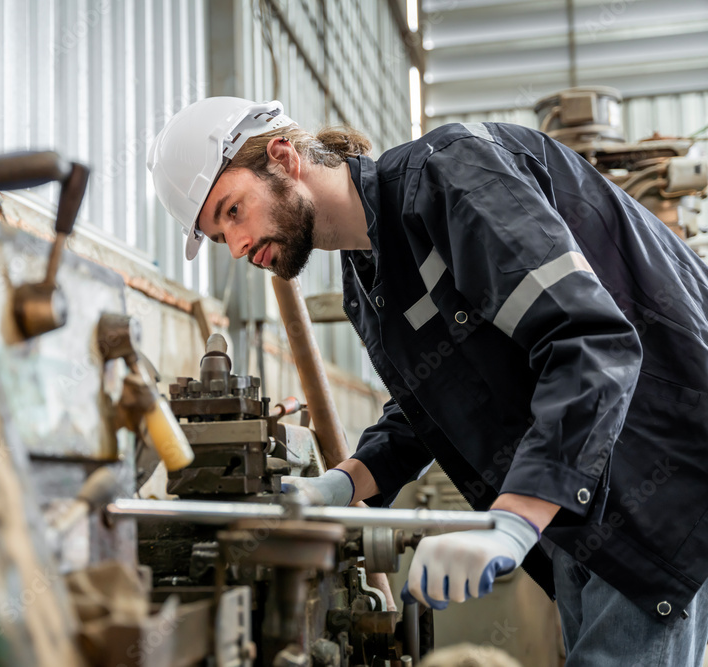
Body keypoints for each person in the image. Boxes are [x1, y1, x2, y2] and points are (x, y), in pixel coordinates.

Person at [147, 97, 708, 665]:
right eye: (221, 236)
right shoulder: (366, 280)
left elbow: (591, 341)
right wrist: (336, 488)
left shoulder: (451, 173)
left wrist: (512, 522)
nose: (238, 246)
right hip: (578, 509)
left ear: (284, 157)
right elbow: (427, 411)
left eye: (233, 210)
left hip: (654, 473)